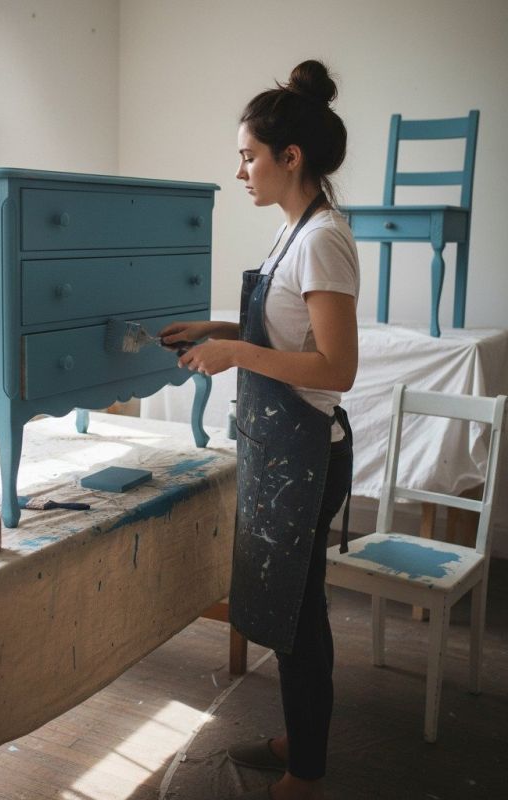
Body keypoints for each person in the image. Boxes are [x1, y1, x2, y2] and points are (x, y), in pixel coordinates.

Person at [159, 60, 359, 800]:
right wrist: (215, 326)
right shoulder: (293, 233)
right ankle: (300, 737)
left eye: (248, 154)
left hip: (309, 455)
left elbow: (336, 367)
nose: (239, 169)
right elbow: (285, 326)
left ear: (290, 157)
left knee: (302, 618)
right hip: (282, 451)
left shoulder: (322, 240)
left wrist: (235, 351)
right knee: (292, 608)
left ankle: (304, 772)